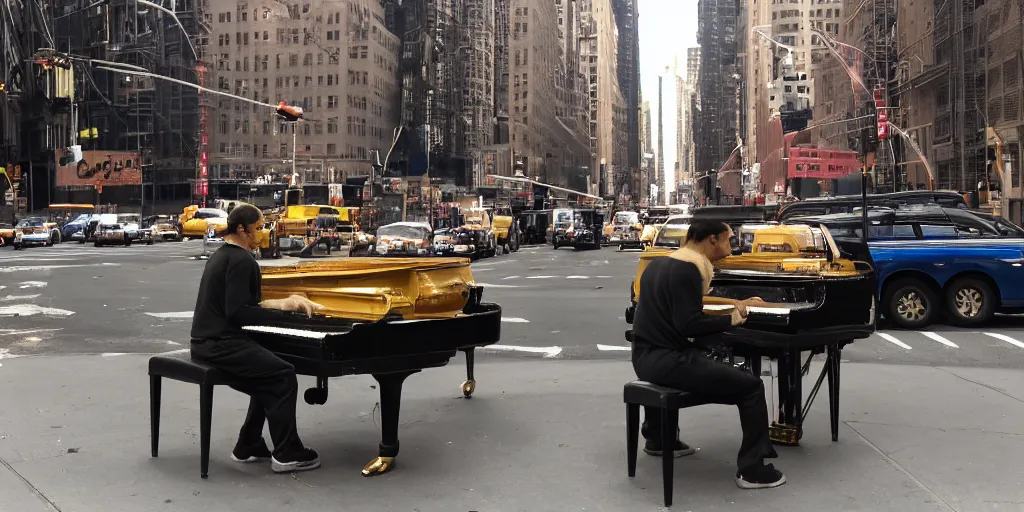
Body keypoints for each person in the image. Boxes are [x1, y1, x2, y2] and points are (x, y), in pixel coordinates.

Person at [631, 219, 786, 489]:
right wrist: (731, 320)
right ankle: (752, 469)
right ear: (712, 239)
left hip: (645, 358)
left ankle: (657, 439)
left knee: (706, 363)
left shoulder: (660, 264)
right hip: (668, 362)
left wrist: (729, 306)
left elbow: (680, 313)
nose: (731, 246)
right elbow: (688, 324)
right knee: (751, 387)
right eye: (728, 239)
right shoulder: (690, 270)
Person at [190, 203, 326, 474]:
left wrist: (281, 304)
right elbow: (241, 314)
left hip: (206, 342)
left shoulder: (221, 256)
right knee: (283, 375)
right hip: (220, 345)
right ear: (242, 229)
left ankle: (248, 443)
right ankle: (287, 452)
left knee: (269, 373)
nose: (263, 234)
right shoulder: (241, 260)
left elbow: (240, 307)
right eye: (259, 228)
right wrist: (284, 307)